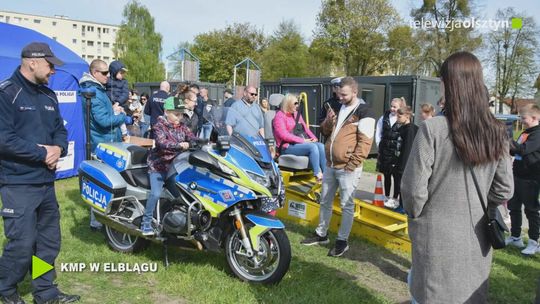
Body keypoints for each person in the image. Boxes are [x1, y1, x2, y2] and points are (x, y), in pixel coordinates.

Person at [401, 51, 513, 303]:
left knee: (429, 295)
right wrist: (479, 204)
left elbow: (412, 190)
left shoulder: (434, 129)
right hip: (476, 234)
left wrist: (417, 215)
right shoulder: (497, 131)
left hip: (435, 234)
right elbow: (504, 190)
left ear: (449, 83)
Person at [0, 42, 80, 304]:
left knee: (47, 244)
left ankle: (45, 292)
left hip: (46, 183)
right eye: (50, 65)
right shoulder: (6, 93)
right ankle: (6, 288)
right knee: (21, 245)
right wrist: (41, 153)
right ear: (31, 62)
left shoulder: (49, 96)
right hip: (17, 182)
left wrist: (57, 147)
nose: (53, 71)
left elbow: (60, 129)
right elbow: (3, 139)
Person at [301, 77, 376, 257]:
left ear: (354, 92)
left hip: (347, 167)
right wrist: (328, 120)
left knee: (346, 205)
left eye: (344, 95)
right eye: (338, 94)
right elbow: (325, 132)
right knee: (325, 200)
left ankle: (342, 241)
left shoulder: (364, 111)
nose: (340, 97)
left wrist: (351, 165)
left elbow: (365, 143)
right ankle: (321, 234)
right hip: (331, 165)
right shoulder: (338, 107)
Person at [80, 59, 128, 231]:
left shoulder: (98, 90)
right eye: (104, 73)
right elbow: (102, 121)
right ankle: (97, 222)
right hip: (101, 142)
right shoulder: (93, 91)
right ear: (94, 73)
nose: (108, 76)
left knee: (106, 183)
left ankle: (104, 219)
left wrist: (114, 111)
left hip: (105, 140)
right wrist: (123, 117)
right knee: (101, 184)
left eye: (109, 72)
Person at [141, 95, 196, 235]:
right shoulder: (158, 126)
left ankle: (176, 221)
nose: (179, 117)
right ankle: (145, 223)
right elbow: (161, 143)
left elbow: (192, 137)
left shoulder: (182, 127)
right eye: (176, 114)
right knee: (156, 193)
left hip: (175, 167)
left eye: (181, 114)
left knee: (182, 195)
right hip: (158, 167)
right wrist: (179, 145)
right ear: (166, 112)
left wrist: (204, 142)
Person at [505, 103, 540, 255]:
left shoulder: (537, 134)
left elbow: (523, 150)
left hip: (530, 179)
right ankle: (515, 237)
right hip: (517, 175)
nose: (521, 120)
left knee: (531, 210)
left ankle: (534, 241)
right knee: (513, 207)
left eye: (523, 118)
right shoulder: (525, 133)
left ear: (535, 117)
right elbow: (515, 151)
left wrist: (507, 139)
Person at [273, 94, 326, 181]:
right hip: (286, 146)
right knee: (312, 147)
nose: (297, 105)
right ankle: (317, 173)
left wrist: (313, 138)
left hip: (298, 143)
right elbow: (283, 135)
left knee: (320, 146)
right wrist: (303, 141)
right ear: (288, 103)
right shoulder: (279, 116)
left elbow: (305, 128)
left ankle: (326, 174)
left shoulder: (296, 114)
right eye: (295, 103)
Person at [375, 97, 407, 207]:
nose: (392, 109)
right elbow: (379, 131)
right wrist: (379, 143)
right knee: (386, 175)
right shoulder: (384, 117)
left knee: (396, 177)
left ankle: (395, 198)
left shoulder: (402, 119)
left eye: (395, 107)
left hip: (396, 152)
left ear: (400, 107)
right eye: (391, 106)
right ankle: (387, 196)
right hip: (385, 151)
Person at [387, 106, 418, 210]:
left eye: (400, 116)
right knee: (398, 184)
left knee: (402, 185)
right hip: (398, 161)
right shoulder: (402, 128)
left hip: (404, 163)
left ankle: (402, 206)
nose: (397, 118)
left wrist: (401, 166)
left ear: (407, 116)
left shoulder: (410, 130)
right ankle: (399, 203)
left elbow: (407, 150)